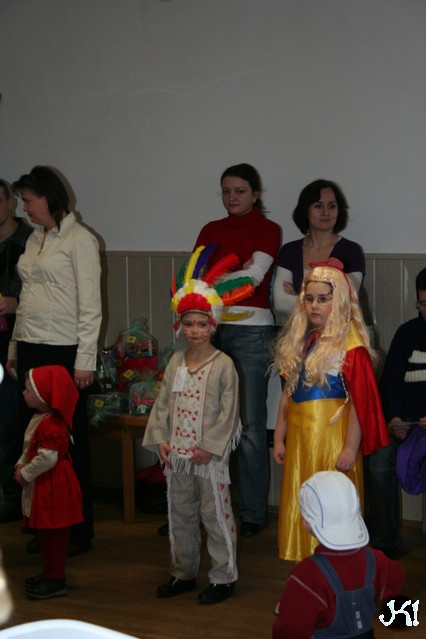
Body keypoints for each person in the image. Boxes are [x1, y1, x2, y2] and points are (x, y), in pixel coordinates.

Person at [143, 246, 252, 604]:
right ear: (180, 325)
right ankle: (183, 571)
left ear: (213, 325)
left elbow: (229, 412)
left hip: (209, 458)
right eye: (188, 324)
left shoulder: (223, 365)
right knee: (180, 513)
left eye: (202, 324)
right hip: (177, 455)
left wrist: (210, 447)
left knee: (215, 515)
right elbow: (163, 404)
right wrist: (161, 438)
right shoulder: (176, 362)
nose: (194, 331)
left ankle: (223, 576)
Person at [6, 166, 102, 555]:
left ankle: (77, 532)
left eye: (29, 200)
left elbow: (91, 306)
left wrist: (85, 360)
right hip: (30, 345)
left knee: (66, 443)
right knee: (33, 440)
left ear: (49, 198)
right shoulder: (34, 239)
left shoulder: (80, 240)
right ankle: (44, 526)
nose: (24, 208)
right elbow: (27, 298)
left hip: (63, 350)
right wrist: (14, 348)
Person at [273, 259, 389, 562]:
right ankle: (307, 566)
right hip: (301, 441)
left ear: (340, 302)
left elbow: (359, 404)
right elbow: (288, 393)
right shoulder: (304, 342)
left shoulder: (351, 348)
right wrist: (279, 437)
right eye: (309, 298)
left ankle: (338, 569)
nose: (314, 305)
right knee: (305, 498)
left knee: (331, 503)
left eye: (323, 299)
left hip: (333, 442)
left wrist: (350, 448)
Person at [194, 163, 281, 537]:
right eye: (226, 191)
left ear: (256, 194)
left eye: (240, 191)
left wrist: (220, 278)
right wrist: (235, 276)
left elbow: (254, 278)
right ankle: (206, 508)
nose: (232, 197)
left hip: (252, 332)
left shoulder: (268, 229)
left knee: (248, 426)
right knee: (205, 422)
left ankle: (252, 512)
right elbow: (196, 281)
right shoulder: (210, 230)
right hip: (209, 329)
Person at [272, 471, 405, 639]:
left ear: (306, 524)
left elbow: (288, 630)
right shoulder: (375, 559)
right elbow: (397, 575)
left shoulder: (306, 575)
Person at [366, 266, 426, 551]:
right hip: (407, 422)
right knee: (379, 458)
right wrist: (395, 418)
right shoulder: (407, 333)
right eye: (423, 304)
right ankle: (384, 544)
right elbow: (390, 382)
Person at [14, 365, 83, 600]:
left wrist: (25, 473)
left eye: (28, 390)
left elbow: (48, 458)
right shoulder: (41, 418)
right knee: (45, 536)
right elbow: (30, 448)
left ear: (43, 395)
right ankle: (48, 574)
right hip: (44, 484)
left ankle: (55, 579)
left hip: (54, 487)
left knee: (55, 537)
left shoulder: (52, 425)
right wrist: (20, 465)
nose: (23, 393)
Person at [273, 179, 365, 316]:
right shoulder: (289, 250)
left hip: (337, 329)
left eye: (332, 206)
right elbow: (280, 303)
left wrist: (298, 299)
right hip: (297, 329)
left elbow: (343, 303)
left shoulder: (351, 251)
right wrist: (325, 300)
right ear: (306, 210)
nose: (326, 212)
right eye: (318, 206)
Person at [0, 179, 33, 522]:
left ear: (10, 203)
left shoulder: (31, 242)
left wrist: (15, 304)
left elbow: (45, 295)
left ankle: (13, 496)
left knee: (11, 421)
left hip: (16, 341)